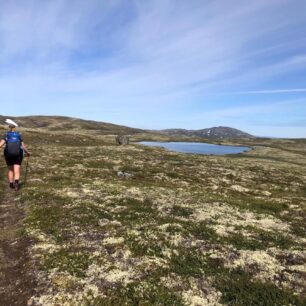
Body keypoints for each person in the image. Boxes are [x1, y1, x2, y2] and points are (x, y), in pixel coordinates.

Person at [0, 119, 30, 191]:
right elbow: (23, 147)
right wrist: (28, 153)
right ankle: (16, 184)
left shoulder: (6, 135)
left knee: (10, 170)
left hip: (8, 154)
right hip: (18, 154)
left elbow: (0, 145)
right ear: (15, 127)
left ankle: (11, 184)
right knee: (17, 170)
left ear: (9, 127)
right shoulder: (19, 135)